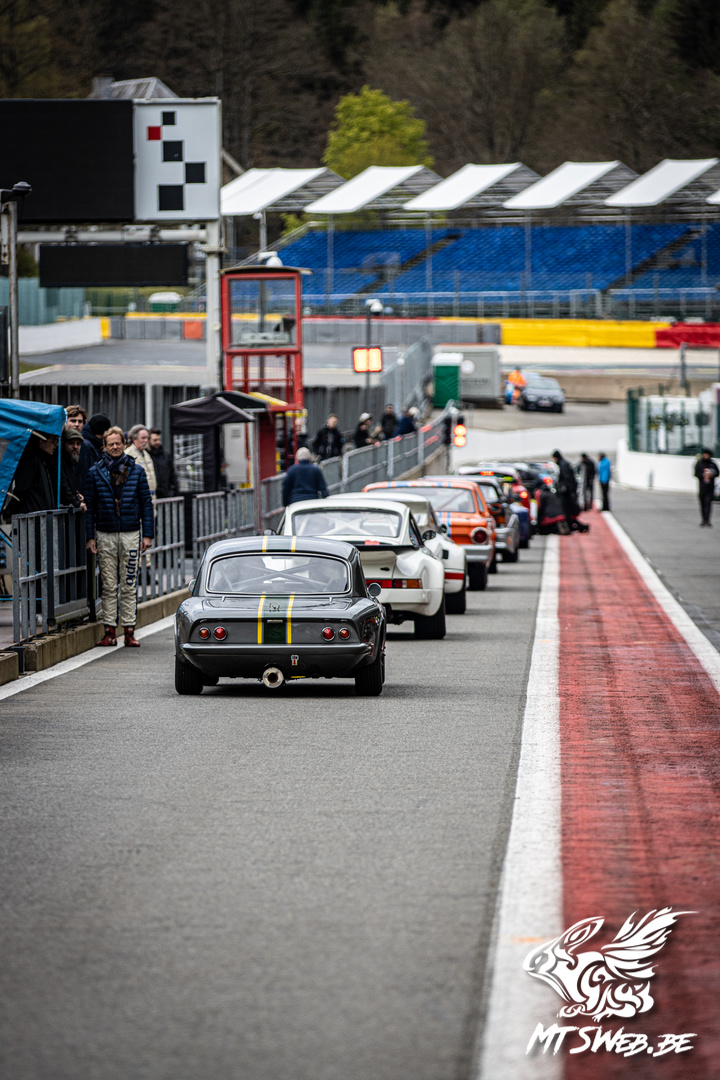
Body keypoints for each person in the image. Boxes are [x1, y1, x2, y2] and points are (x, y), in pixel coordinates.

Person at [85, 426, 154, 648]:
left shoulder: (137, 471)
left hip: (131, 532)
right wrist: (90, 536)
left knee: (129, 583)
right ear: (104, 446)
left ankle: (129, 631)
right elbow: (90, 507)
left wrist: (148, 535)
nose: (115, 447)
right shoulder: (95, 472)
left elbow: (146, 503)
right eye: (111, 444)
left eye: (118, 443)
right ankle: (109, 632)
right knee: (108, 584)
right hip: (105, 533)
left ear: (124, 444)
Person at [10, 430, 58, 516]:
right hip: (32, 514)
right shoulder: (32, 461)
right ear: (42, 442)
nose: (56, 444)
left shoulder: (43, 460)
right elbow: (21, 489)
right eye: (52, 441)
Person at [125, 424, 158, 500]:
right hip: (138, 498)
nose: (146, 441)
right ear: (134, 439)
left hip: (151, 497)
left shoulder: (146, 454)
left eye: (147, 438)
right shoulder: (128, 454)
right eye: (143, 438)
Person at [60, 426, 86, 510]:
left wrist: (76, 496)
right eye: (71, 443)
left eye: (78, 444)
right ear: (63, 444)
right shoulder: (60, 462)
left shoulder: (71, 463)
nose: (75, 447)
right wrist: (76, 502)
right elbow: (63, 486)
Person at [148, 428, 179, 499]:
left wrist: (174, 493)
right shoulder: (146, 456)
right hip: (153, 496)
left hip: (166, 495)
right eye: (155, 440)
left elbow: (173, 476)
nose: (157, 442)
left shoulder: (166, 456)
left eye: (159, 440)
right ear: (148, 440)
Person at [552, 449, 579, 528]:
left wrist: (565, 489)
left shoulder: (563, 465)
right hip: (569, 491)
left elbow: (567, 478)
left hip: (567, 492)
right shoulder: (564, 463)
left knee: (566, 509)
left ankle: (569, 525)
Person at [694, 448, 719, 527]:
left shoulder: (713, 464)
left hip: (710, 487)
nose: (706, 456)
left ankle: (707, 520)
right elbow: (696, 474)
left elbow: (717, 473)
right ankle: (703, 519)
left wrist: (712, 475)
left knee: (708, 503)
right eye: (705, 454)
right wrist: (703, 475)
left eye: (708, 455)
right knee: (702, 503)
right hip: (702, 487)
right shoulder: (699, 463)